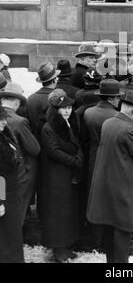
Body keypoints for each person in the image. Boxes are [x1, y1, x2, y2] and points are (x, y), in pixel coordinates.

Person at [87, 90, 133, 263]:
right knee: (122, 236)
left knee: (110, 235)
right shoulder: (129, 130)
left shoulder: (108, 123)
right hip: (123, 190)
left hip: (108, 188)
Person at [40, 89, 83, 262]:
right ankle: (58, 248)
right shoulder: (49, 127)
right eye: (63, 108)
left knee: (68, 212)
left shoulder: (70, 123)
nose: (67, 111)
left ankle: (65, 245)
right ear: (56, 109)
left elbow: (77, 143)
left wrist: (80, 156)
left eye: (69, 108)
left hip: (67, 174)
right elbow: (53, 152)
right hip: (55, 177)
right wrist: (74, 160)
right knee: (57, 213)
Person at [0, 83, 40, 224]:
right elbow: (34, 149)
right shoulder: (19, 121)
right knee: (17, 209)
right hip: (19, 174)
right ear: (17, 102)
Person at [83, 79, 120, 188]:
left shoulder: (88, 112)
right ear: (110, 99)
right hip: (111, 157)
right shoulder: (117, 115)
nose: (119, 100)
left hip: (93, 155)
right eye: (117, 97)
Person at [0, 105, 24, 263]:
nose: (3, 121)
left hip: (10, 193)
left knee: (11, 234)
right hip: (3, 194)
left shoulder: (4, 134)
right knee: (7, 236)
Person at [27, 61, 60, 141]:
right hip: (53, 144)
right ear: (54, 80)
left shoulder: (30, 99)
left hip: (35, 142)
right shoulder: (58, 98)